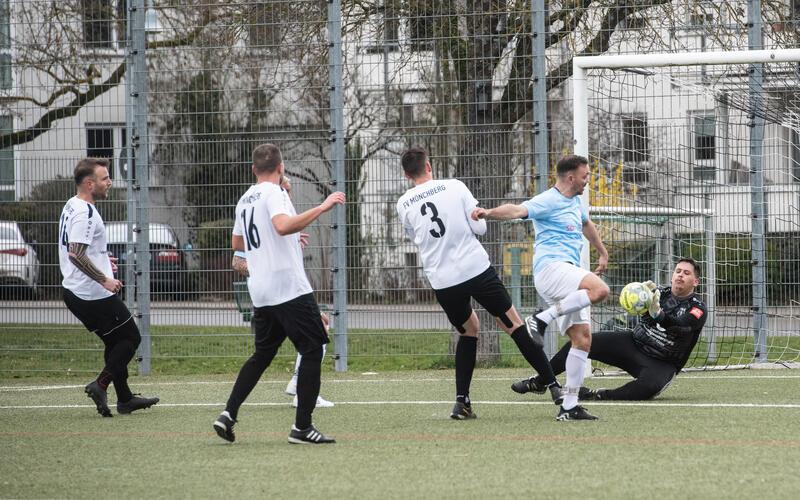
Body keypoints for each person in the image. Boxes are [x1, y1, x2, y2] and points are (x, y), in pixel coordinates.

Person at [396, 146, 561, 420]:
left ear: (406, 175)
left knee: (468, 330)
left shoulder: (403, 203)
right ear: (429, 166)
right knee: (512, 323)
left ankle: (462, 403)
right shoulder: (455, 187)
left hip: (443, 279)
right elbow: (480, 226)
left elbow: (415, 235)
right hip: (475, 268)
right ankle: (554, 386)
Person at [213, 143, 344, 445]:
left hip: (261, 290)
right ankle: (302, 427)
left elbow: (237, 241)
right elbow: (282, 226)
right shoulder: (274, 193)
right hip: (287, 287)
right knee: (312, 348)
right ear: (281, 167)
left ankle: (228, 413)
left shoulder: (246, 198)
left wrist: (285, 239)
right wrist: (322, 207)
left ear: (253, 169)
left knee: (262, 355)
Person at [472, 154, 610, 421]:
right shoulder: (549, 200)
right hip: (551, 269)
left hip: (566, 271)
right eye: (585, 176)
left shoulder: (576, 202)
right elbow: (517, 210)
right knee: (600, 290)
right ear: (571, 178)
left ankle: (569, 407)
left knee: (582, 340)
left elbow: (586, 224)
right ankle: (540, 319)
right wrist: (487, 212)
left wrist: (602, 252)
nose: (587, 181)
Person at [513, 258, 707, 401]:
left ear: (695, 282)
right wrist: (641, 300)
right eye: (678, 271)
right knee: (583, 342)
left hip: (662, 362)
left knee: (647, 389)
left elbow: (682, 327)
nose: (680, 275)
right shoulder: (658, 293)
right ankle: (540, 381)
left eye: (686, 273)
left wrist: (659, 315)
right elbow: (646, 317)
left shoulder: (698, 307)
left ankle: (595, 394)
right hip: (634, 344)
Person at [58, 158, 159, 417]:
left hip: (76, 291)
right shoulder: (86, 212)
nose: (110, 182)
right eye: (105, 178)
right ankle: (100, 385)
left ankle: (124, 399)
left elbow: (83, 248)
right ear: (90, 184)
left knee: (115, 341)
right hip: (91, 293)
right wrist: (104, 279)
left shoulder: (72, 205)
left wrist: (103, 259)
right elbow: (76, 254)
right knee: (130, 338)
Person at [231, 177, 334, 409]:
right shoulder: (264, 217)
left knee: (316, 331)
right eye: (283, 190)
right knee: (308, 340)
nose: (287, 195)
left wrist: (293, 240)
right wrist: (260, 268)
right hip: (275, 296)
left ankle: (230, 412)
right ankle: (302, 413)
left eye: (288, 191)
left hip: (285, 291)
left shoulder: (283, 221)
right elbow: (237, 260)